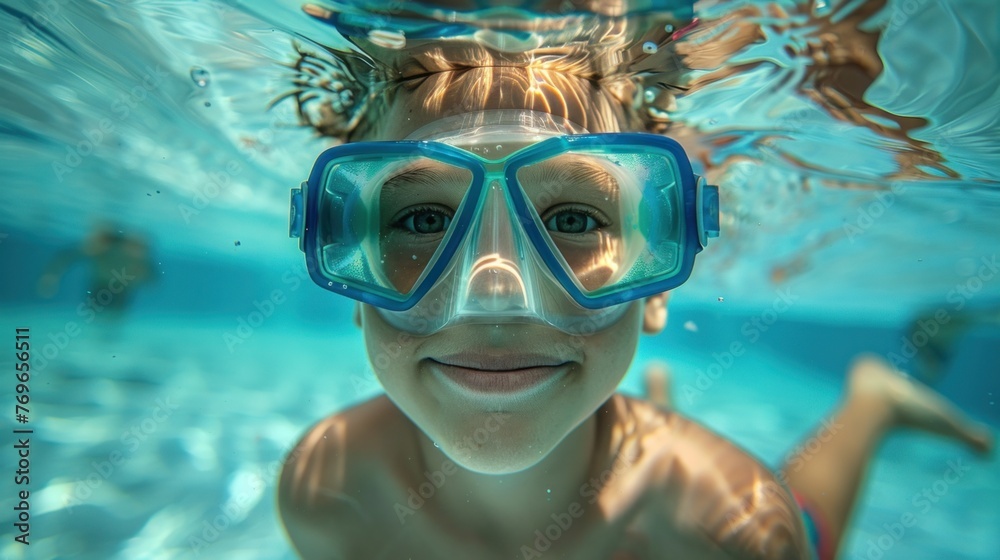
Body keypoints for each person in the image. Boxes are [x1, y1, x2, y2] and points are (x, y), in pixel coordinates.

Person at [275, 3, 991, 559]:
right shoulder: (324, 493)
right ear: (352, 275)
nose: (496, 292)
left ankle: (871, 401)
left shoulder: (732, 531)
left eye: (574, 220)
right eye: (425, 220)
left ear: (656, 290)